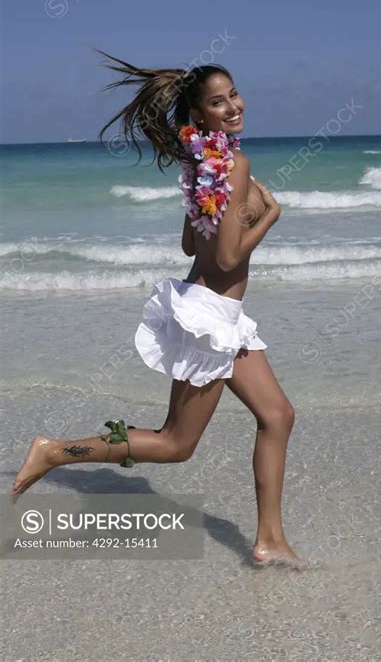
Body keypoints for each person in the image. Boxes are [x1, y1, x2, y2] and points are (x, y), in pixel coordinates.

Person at [11, 54, 300, 566]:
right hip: (210, 317)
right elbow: (229, 256)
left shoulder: (205, 160)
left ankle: (269, 541)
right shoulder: (231, 166)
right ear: (199, 113)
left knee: (277, 416)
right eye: (218, 101)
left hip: (220, 315)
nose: (233, 106)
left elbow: (192, 243)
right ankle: (55, 451)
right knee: (173, 444)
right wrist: (271, 216)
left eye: (233, 94)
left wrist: (237, 213)